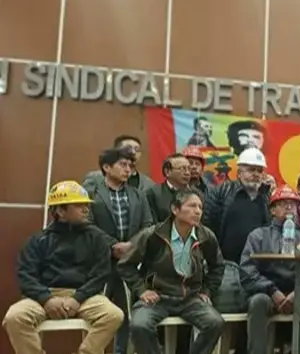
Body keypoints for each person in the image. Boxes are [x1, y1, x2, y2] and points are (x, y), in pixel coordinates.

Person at [3, 181, 124, 354]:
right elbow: (26, 276)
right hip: (45, 296)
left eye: (86, 205)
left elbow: (100, 274)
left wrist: (77, 298)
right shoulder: (37, 241)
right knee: (14, 317)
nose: (86, 210)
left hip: (85, 296)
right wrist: (47, 299)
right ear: (60, 211)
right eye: (79, 205)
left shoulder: (97, 238)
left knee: (114, 315)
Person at [118, 190, 225, 354]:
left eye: (200, 207)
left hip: (190, 298)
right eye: (192, 206)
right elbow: (125, 265)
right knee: (139, 325)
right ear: (175, 209)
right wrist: (141, 290)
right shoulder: (153, 235)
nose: (198, 211)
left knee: (215, 323)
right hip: (158, 296)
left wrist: (207, 291)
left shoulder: (206, 236)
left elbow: (217, 266)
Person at [239, 185, 300, 354]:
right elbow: (247, 270)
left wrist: (298, 291)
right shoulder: (258, 235)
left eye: (293, 204)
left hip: (297, 293)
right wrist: (272, 290)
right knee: (258, 302)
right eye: (283, 204)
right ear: (272, 210)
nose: (289, 207)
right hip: (266, 293)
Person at [87, 147, 153, 354]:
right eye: (123, 165)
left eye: (131, 166)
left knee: (127, 315)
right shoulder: (92, 194)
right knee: (98, 316)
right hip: (101, 263)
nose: (128, 170)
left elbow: (148, 225)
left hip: (131, 263)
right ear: (107, 167)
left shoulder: (138, 195)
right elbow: (87, 225)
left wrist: (131, 247)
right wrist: (112, 246)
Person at [204, 148, 272, 261]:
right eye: (251, 170)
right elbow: (207, 223)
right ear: (239, 173)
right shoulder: (222, 191)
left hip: (257, 262)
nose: (256, 174)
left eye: (260, 171)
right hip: (226, 262)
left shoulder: (266, 197)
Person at [83, 135, 156, 194]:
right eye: (128, 148)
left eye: (136, 150)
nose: (133, 152)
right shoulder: (94, 179)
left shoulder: (148, 184)